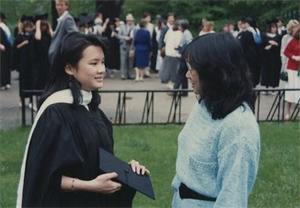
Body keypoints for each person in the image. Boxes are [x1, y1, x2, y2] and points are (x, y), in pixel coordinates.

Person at [17, 32, 149, 207]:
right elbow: (42, 177)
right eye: (94, 63)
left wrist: (128, 171)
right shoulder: (55, 114)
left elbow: (97, 161)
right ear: (69, 68)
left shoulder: (93, 110)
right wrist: (90, 186)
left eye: (102, 62)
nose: (101, 69)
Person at [171, 33, 260, 207]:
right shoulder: (206, 104)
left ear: (213, 72)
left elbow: (232, 198)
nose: (187, 75)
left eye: (191, 68)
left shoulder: (239, 127)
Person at [48, 0, 78, 66]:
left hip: (61, 58)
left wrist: (64, 50)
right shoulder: (61, 19)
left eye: (61, 5)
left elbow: (75, 36)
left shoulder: (67, 19)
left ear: (66, 6)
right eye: (57, 5)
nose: (59, 7)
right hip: (57, 57)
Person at [237, 18, 261, 87]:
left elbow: (242, 44)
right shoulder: (254, 31)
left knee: (248, 71)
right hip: (251, 55)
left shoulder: (248, 32)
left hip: (248, 56)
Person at [283, 24, 300, 120]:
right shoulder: (293, 41)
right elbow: (286, 52)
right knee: (290, 90)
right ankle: (288, 112)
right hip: (292, 69)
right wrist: (293, 57)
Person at [260, 21, 281, 90]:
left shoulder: (278, 36)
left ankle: (273, 87)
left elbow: (280, 46)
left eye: (275, 28)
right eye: (272, 27)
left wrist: (276, 44)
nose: (274, 29)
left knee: (274, 71)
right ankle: (266, 87)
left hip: (275, 57)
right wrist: (266, 47)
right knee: (266, 71)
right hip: (266, 57)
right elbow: (262, 45)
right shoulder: (264, 35)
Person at [118, 13, 135, 80]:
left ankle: (130, 74)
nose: (130, 21)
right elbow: (119, 36)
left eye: (131, 20)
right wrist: (125, 37)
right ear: (126, 20)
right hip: (123, 45)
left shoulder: (135, 27)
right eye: (128, 20)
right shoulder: (122, 27)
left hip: (131, 46)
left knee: (131, 61)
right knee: (123, 60)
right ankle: (123, 74)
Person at [0, 12, 12, 90]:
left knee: (3, 66)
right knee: (5, 66)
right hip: (5, 47)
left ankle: (4, 82)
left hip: (3, 48)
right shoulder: (5, 27)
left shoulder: (3, 27)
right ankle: (6, 82)